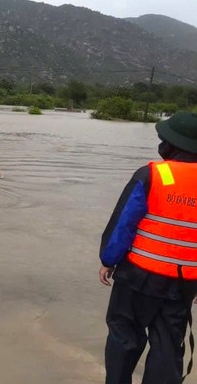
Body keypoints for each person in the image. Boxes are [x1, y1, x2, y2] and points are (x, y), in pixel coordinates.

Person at [99, 111, 197, 384]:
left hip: (138, 276)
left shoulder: (153, 174)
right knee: (168, 346)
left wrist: (109, 259)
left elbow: (124, 224)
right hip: (183, 284)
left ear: (172, 145)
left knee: (123, 337)